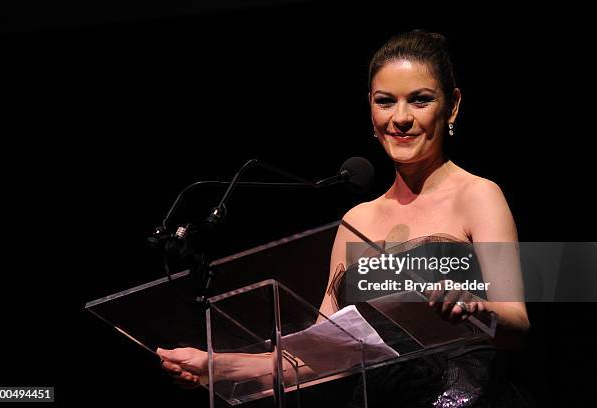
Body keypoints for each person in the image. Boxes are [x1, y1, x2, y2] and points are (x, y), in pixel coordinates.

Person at [157, 30, 532, 406]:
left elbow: (517, 325)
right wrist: (216, 366)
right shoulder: (357, 220)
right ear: (371, 108)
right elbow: (323, 353)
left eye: (420, 100)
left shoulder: (478, 195)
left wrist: (476, 310)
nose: (400, 118)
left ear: (451, 106)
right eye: (386, 102)